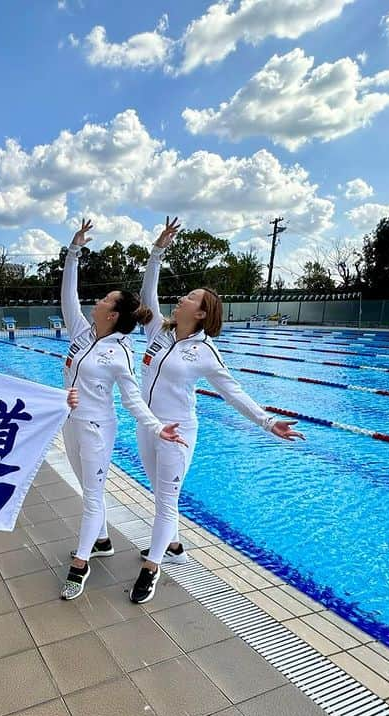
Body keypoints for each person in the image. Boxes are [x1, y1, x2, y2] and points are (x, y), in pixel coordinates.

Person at [130, 217, 305, 604]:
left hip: (178, 431)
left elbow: (232, 391)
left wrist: (268, 421)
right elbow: (148, 292)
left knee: (165, 501)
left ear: (203, 312)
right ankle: (173, 545)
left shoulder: (205, 351)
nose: (182, 299)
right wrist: (157, 251)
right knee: (158, 494)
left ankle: (151, 568)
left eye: (191, 298)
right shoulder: (158, 330)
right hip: (148, 426)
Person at [60, 219, 184, 601]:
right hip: (71, 422)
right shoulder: (81, 330)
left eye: (104, 300)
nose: (96, 301)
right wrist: (74, 250)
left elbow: (131, 397)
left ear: (112, 314)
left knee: (93, 497)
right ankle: (100, 540)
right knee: (86, 489)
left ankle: (80, 566)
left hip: (98, 428)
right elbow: (69, 291)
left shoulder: (121, 352)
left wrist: (156, 426)